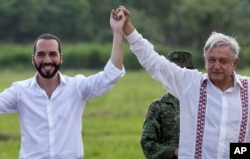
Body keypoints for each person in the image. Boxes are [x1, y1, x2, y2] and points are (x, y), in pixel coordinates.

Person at [115, 6, 250, 159]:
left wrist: (235, 152)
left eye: (223, 61)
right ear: (205, 61)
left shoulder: (248, 90)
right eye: (212, 60)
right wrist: (127, 28)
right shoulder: (191, 84)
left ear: (235, 63)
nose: (216, 66)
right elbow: (154, 62)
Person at [0, 9, 126, 159]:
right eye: (41, 54)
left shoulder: (77, 87)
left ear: (61, 58)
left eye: (53, 54)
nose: (47, 60)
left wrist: (118, 32)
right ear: (33, 59)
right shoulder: (20, 91)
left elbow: (111, 75)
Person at [140, 51, 195, 159]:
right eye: (174, 73)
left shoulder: (203, 103)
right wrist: (175, 152)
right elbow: (148, 144)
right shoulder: (158, 107)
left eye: (184, 73)